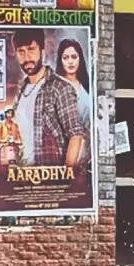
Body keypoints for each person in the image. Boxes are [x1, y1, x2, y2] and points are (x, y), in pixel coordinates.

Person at [9, 29, 85, 167]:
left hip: (48, 178)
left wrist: (66, 178)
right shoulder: (21, 91)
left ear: (42, 51)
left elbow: (76, 135)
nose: (27, 57)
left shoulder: (60, 88)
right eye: (21, 51)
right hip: (20, 177)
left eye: (31, 49)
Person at [55, 38, 92, 169]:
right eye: (65, 57)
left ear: (80, 59)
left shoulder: (87, 86)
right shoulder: (56, 86)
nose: (70, 61)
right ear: (60, 60)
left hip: (87, 151)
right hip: (65, 150)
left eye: (74, 57)